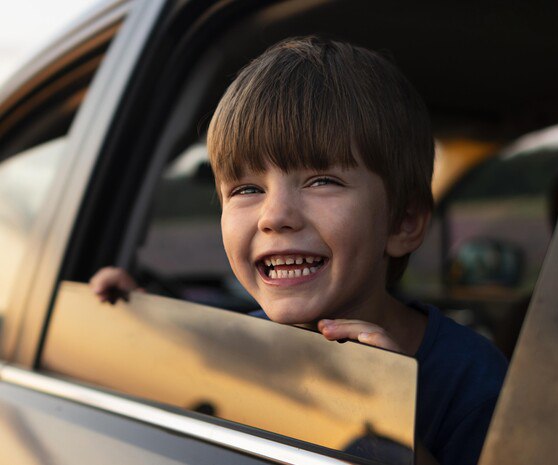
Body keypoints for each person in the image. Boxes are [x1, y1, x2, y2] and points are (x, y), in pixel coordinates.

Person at [90, 36, 507, 465]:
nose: (275, 216)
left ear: (404, 222)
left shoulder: (474, 384)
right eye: (247, 189)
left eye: (321, 181)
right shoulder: (236, 346)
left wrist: (388, 424)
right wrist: (135, 320)